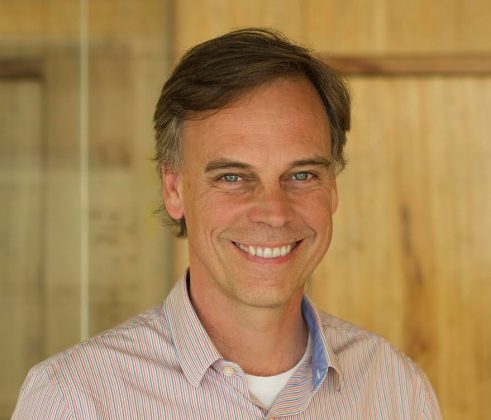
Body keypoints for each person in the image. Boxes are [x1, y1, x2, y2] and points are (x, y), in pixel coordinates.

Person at [13, 28, 441, 419]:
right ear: (174, 190)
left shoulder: (396, 390)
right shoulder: (75, 399)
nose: (274, 212)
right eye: (233, 178)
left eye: (301, 175)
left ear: (332, 188)